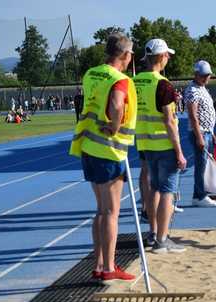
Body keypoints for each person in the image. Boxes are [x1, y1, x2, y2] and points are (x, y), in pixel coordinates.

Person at [69, 33, 138, 282]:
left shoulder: (91, 73)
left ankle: (100, 264)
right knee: (111, 212)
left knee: (101, 210)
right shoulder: (119, 79)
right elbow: (117, 105)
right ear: (125, 55)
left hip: (88, 145)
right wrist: (116, 125)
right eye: (131, 55)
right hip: (108, 149)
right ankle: (108, 267)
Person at [134, 38, 187, 253]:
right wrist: (179, 152)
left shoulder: (135, 81)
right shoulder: (163, 84)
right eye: (167, 56)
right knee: (168, 191)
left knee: (153, 187)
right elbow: (169, 121)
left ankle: (153, 233)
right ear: (162, 57)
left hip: (145, 143)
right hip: (163, 144)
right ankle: (162, 240)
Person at [184, 60, 216, 208]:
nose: (206, 78)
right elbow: (193, 115)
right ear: (196, 74)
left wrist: (212, 133)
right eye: (203, 75)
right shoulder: (192, 90)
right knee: (201, 165)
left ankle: (200, 193)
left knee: (205, 164)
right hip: (200, 133)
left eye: (208, 75)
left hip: (207, 132)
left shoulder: (202, 88)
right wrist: (199, 136)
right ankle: (200, 195)